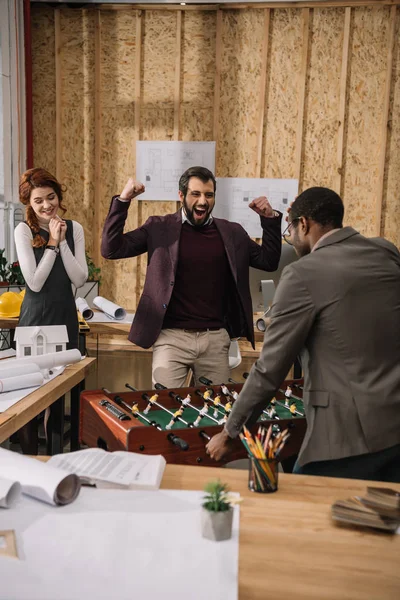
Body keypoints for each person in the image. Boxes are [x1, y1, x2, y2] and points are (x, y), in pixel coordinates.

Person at [206, 186, 400, 482]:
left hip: (346, 441)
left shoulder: (301, 274)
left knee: (298, 508)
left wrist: (230, 432)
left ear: (304, 224)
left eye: (290, 228)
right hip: (394, 428)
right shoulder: (386, 251)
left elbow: (269, 369)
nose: (291, 237)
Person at [101, 166, 282, 387]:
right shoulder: (159, 227)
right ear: (181, 196)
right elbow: (111, 249)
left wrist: (270, 219)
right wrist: (123, 200)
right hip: (171, 339)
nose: (203, 201)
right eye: (195, 194)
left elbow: (268, 261)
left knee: (214, 413)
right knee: (165, 410)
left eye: (209, 194)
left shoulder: (232, 232)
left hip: (215, 340)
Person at [14, 168, 88, 452]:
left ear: (58, 195)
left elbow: (79, 278)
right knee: (30, 397)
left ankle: (55, 464)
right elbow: (34, 282)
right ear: (29, 204)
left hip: (64, 319)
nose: (47, 205)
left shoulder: (75, 228)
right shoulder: (23, 230)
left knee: (57, 398)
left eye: (51, 197)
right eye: (38, 201)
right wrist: (53, 244)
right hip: (35, 322)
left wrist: (62, 239)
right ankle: (30, 462)